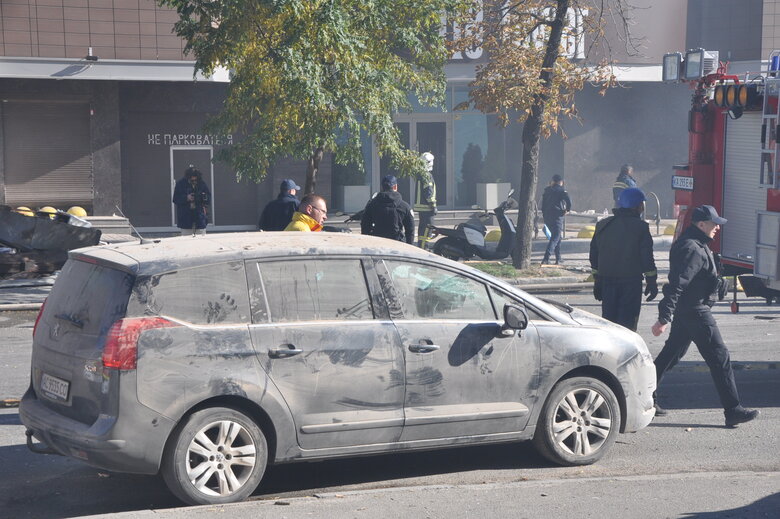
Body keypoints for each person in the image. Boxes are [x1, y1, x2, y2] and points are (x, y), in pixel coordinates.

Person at [651, 205, 759, 427]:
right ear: (701, 224)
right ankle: (733, 410)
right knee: (720, 358)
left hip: (689, 310)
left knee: (670, 355)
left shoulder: (696, 245)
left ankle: (642, 397)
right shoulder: (692, 248)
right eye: (714, 223)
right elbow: (677, 285)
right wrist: (664, 317)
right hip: (696, 311)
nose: (717, 227)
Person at [589, 187, 658, 331]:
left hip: (606, 282)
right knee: (627, 326)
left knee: (609, 325)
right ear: (639, 206)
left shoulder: (603, 225)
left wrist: (597, 280)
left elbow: (594, 255)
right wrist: (651, 281)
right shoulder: (641, 228)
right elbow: (647, 258)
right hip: (630, 284)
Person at [361, 175, 415, 244]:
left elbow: (365, 226)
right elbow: (410, 231)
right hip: (398, 246)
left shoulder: (372, 205)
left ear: (382, 187)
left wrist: (368, 243)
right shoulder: (405, 206)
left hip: (376, 246)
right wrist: (409, 248)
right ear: (395, 187)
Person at [540, 174, 571, 265]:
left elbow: (542, 205)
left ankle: (558, 258)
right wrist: (567, 210)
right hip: (557, 216)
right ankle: (546, 258)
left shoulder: (547, 191)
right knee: (555, 237)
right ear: (561, 182)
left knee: (558, 237)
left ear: (552, 181)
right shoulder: (561, 190)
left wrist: (544, 215)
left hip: (547, 217)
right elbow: (569, 201)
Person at [172, 166, 210, 236]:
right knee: (186, 241)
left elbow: (208, 198)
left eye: (195, 180)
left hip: (199, 218)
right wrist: (186, 198)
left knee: (202, 241)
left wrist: (201, 197)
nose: (194, 181)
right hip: (186, 218)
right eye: (191, 180)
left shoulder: (201, 183)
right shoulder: (180, 184)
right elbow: (175, 199)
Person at [414, 151, 437, 247]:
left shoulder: (421, 174)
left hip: (422, 208)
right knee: (428, 228)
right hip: (427, 207)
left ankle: (421, 246)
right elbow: (428, 191)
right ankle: (424, 247)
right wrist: (433, 205)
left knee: (422, 228)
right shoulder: (427, 175)